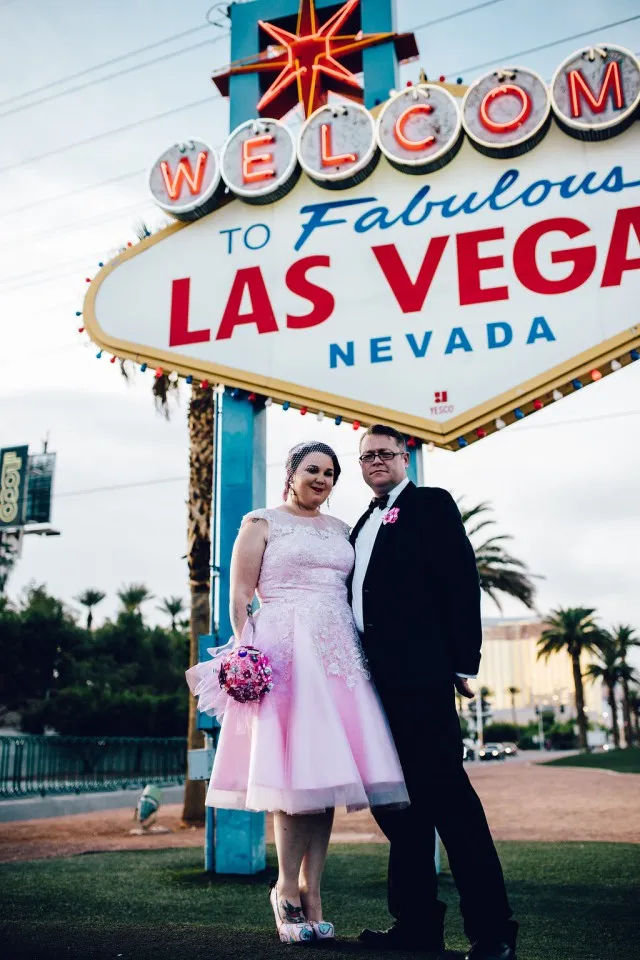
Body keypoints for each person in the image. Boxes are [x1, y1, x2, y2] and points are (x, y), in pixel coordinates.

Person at [186, 441, 408, 945]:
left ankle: (315, 894)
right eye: (313, 469)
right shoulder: (260, 523)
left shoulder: (340, 529)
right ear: (291, 473)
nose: (322, 479)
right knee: (292, 778)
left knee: (326, 774)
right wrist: (246, 655)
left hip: (339, 657)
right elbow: (241, 596)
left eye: (330, 473)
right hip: (285, 655)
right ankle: (285, 889)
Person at [350, 424, 518, 960]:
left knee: (450, 803)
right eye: (367, 456)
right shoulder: (360, 523)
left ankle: (492, 933)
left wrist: (463, 663)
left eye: (384, 453)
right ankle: (417, 927)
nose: (376, 462)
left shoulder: (431, 504)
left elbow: (459, 580)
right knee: (401, 813)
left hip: (421, 682)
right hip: (372, 689)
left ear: (405, 458)